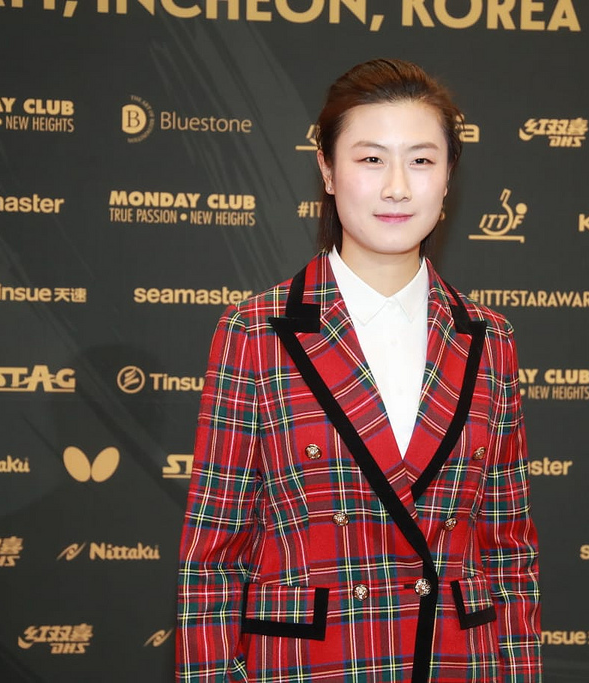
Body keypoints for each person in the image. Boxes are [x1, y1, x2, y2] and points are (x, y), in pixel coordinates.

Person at [177, 58, 541, 683]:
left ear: (448, 177)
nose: (397, 187)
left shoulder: (489, 339)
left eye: (421, 160)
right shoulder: (256, 333)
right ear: (327, 169)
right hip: (311, 665)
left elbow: (510, 553)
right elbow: (213, 559)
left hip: (456, 663)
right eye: (371, 159)